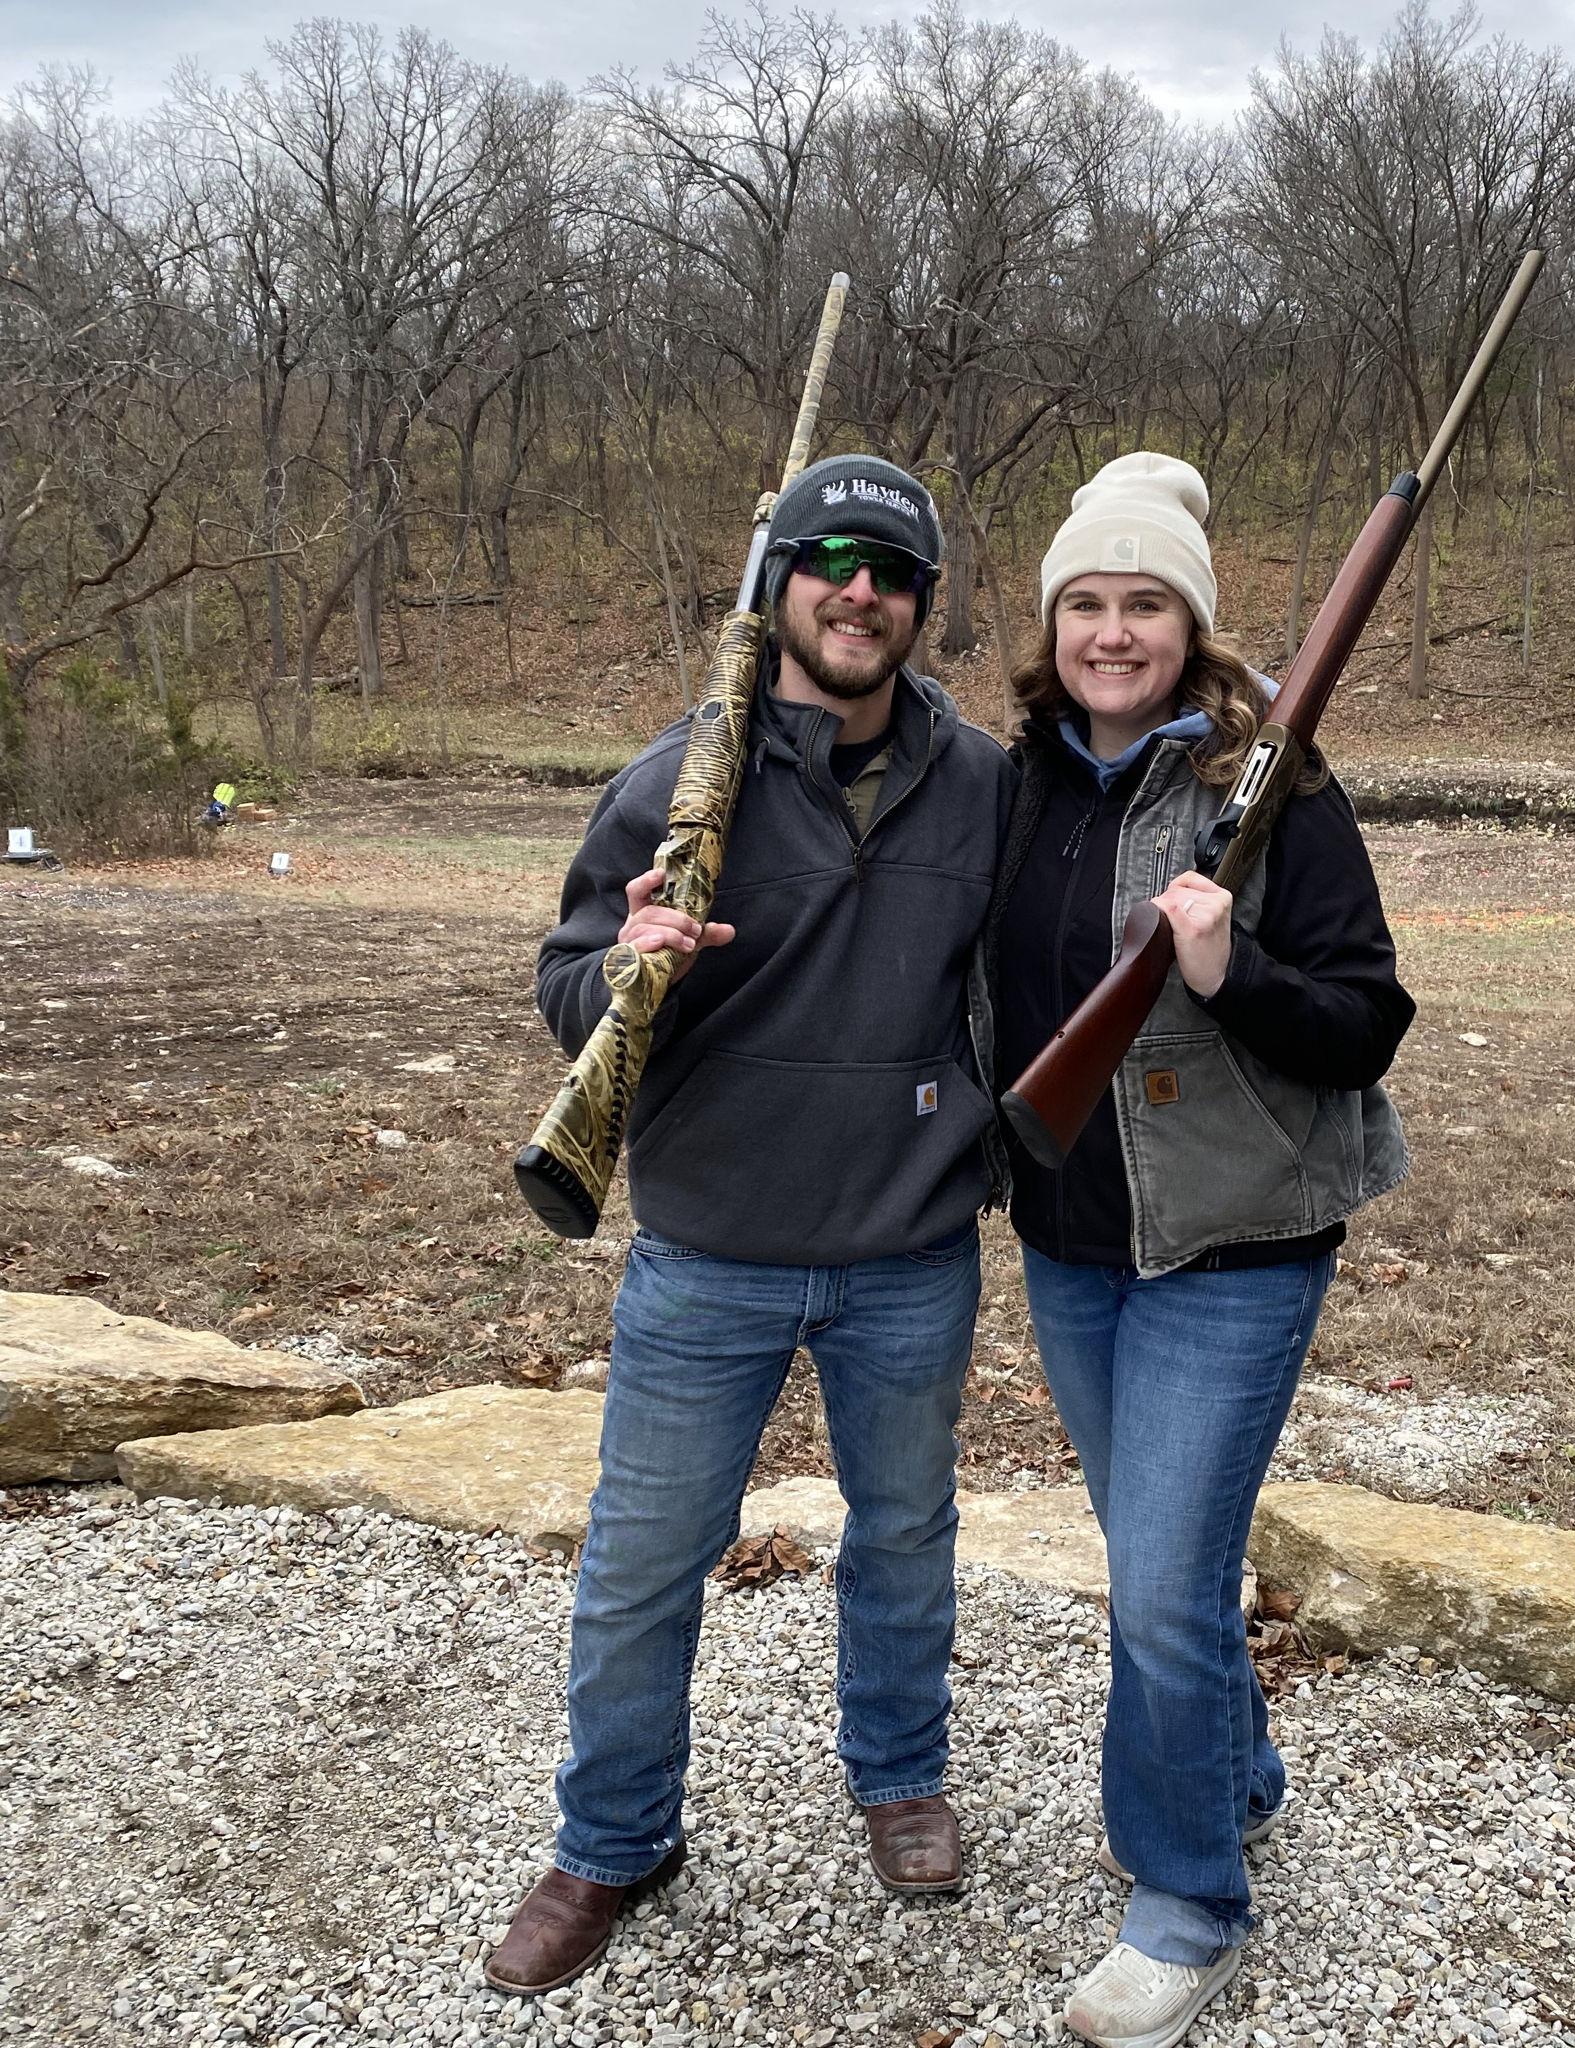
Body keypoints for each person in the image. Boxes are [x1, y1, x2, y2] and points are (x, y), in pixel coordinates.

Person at [486, 455, 1013, 1997]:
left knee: (905, 1543)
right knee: (646, 1564)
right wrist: (628, 962)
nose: (862, 590)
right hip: (708, 1253)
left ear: (923, 606)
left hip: (909, 1252)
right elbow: (568, 986)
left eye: (895, 571)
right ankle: (610, 1845)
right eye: (832, 559)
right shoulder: (673, 779)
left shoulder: (979, 778)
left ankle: (899, 1778)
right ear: (781, 582)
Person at [990, 453, 1415, 2048]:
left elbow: (1366, 1025)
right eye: (1087, 603)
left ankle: (1185, 1904)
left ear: (1195, 627)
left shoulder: (1280, 795)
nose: (1113, 632)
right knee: (1161, 1573)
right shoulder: (1010, 783)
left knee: (1162, 1590)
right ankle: (1234, 1775)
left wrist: (1232, 973)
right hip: (1070, 1242)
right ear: (1053, 627)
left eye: (1146, 603)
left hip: (1233, 1249)